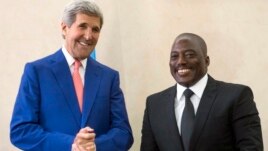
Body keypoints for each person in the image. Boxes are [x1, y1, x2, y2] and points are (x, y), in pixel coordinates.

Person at [10, 0, 133, 151]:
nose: (89, 36)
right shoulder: (36, 71)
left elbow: (124, 134)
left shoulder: (109, 77)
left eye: (95, 29)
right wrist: (71, 145)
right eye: (82, 26)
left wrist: (94, 146)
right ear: (64, 28)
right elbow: (21, 131)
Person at [140, 33, 263, 151]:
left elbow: (251, 148)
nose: (181, 61)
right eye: (174, 56)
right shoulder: (154, 104)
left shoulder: (237, 96)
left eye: (189, 55)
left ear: (207, 60)